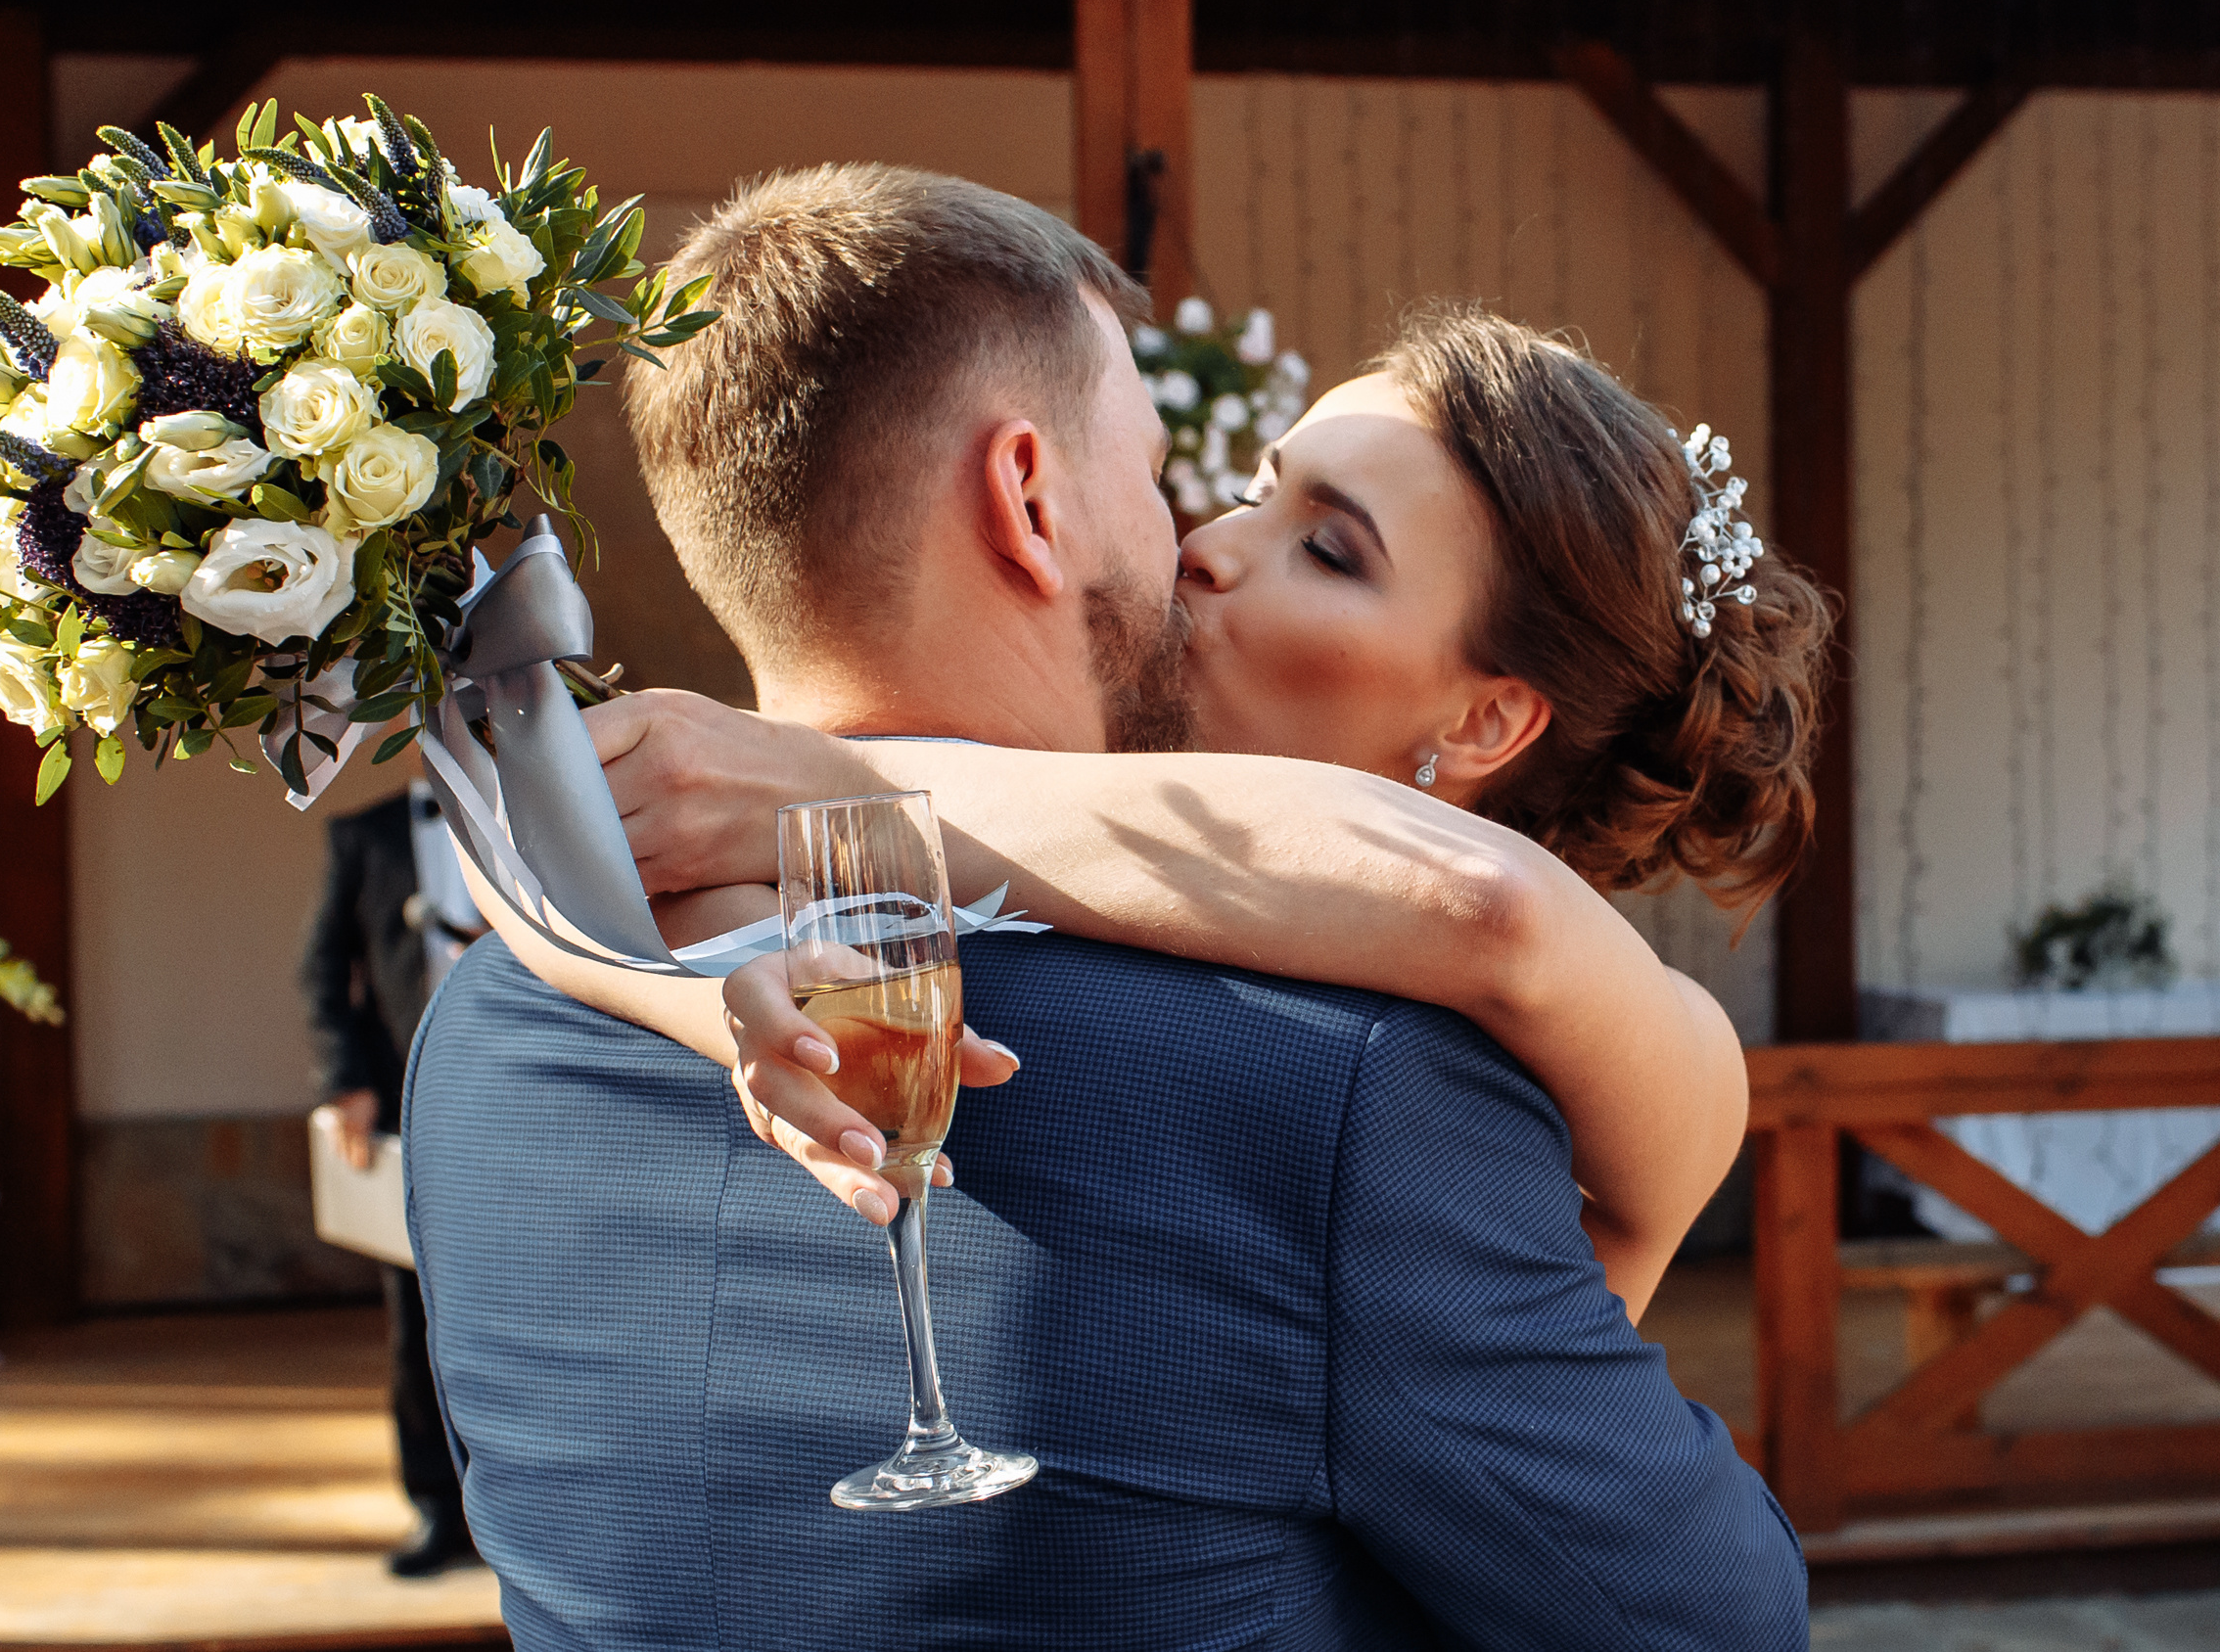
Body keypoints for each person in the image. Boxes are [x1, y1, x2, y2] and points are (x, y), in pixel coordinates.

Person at [405, 162, 1809, 1647]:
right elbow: (1708, 1620)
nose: (1199, 537)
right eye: (1177, 475)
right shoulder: (1349, 1100)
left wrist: (826, 793)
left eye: (1326, 545)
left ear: (1488, 723)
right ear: (1026, 495)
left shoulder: (483, 1032)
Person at [301, 779, 485, 1578]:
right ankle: (438, 1507)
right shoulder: (365, 836)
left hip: (517, 1087)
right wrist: (346, 1079)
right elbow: (322, 971)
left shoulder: (538, 819)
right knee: (415, 1321)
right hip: (408, 1099)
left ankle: (521, 1510)